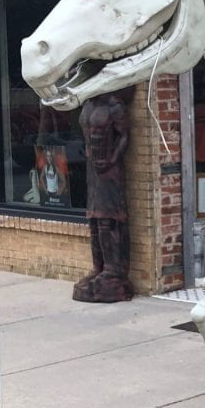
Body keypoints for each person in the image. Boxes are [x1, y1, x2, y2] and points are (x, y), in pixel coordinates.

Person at [73, 90, 134, 303]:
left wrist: (112, 160)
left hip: (110, 171)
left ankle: (113, 269)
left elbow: (125, 136)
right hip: (92, 168)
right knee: (94, 218)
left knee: (109, 218)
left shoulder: (114, 105)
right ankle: (98, 266)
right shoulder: (87, 105)